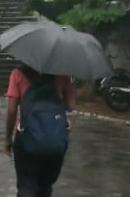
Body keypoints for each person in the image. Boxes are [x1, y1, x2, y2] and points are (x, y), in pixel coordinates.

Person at [5, 64, 76, 197]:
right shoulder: (62, 74)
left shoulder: (18, 74)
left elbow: (12, 110)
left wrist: (8, 139)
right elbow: (71, 106)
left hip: (26, 139)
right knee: (45, 186)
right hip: (54, 140)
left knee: (26, 184)